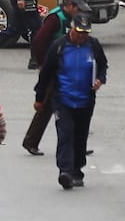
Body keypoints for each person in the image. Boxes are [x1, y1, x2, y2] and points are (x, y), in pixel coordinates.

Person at [34, 12, 107, 190]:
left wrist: (100, 79)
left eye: (85, 33)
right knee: (66, 133)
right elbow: (46, 74)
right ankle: (65, 171)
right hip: (63, 99)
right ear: (72, 29)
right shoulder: (59, 47)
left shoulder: (93, 46)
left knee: (80, 136)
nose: (82, 36)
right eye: (79, 32)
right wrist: (40, 97)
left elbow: (103, 66)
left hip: (85, 100)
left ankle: (77, 169)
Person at [21, 0, 86, 157]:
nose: (80, 13)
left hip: (67, 68)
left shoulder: (72, 19)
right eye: (78, 9)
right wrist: (43, 63)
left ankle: (77, 144)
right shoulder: (55, 18)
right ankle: (31, 141)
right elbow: (38, 41)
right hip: (53, 68)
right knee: (46, 106)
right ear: (70, 6)